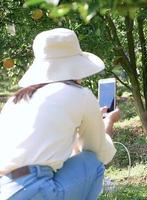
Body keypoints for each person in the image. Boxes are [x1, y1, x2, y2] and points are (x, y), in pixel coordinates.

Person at [0, 28, 120, 200]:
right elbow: (99, 152)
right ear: (76, 67)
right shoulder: (79, 94)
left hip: (5, 189)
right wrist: (106, 124)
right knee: (92, 163)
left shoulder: (16, 99)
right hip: (36, 189)